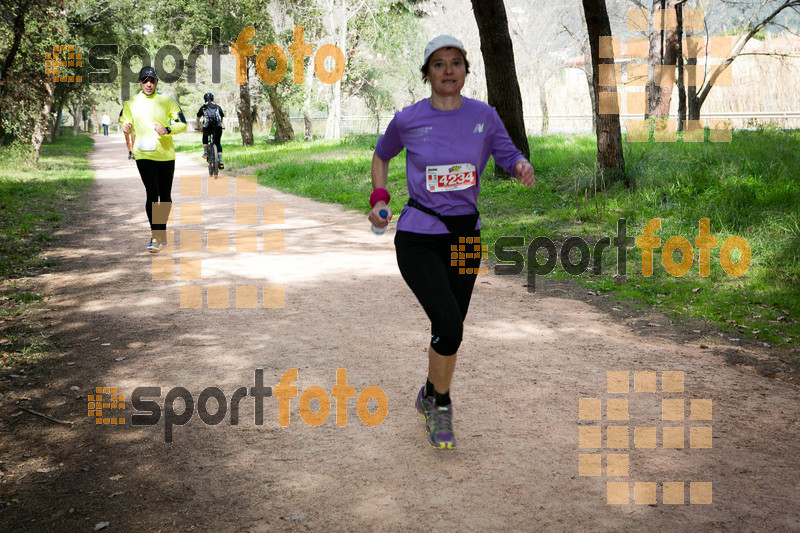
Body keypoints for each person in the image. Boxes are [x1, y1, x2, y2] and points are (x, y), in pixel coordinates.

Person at [368, 35, 535, 450]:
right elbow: (381, 155)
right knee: (447, 320)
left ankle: (427, 393)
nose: (448, 70)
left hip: (465, 236)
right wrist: (379, 198)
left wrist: (519, 165)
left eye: (455, 63)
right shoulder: (408, 119)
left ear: (465, 70)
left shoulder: (484, 115)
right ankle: (441, 405)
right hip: (419, 236)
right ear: (427, 73)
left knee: (452, 329)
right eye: (439, 64)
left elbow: (506, 152)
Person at [121, 66, 187, 253]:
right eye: (145, 81)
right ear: (140, 83)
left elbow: (183, 124)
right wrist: (126, 127)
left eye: (152, 80)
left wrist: (168, 129)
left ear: (157, 82)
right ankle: (155, 235)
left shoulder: (167, 101)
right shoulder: (131, 102)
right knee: (152, 193)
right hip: (144, 154)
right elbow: (127, 123)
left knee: (165, 196)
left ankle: (162, 230)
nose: (148, 84)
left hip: (166, 155)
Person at [196, 92, 224, 170]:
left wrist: (198, 126)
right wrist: (221, 125)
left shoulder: (203, 107)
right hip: (218, 127)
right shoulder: (218, 107)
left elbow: (198, 117)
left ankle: (205, 152)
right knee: (218, 143)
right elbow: (221, 117)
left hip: (207, 127)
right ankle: (220, 161)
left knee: (205, 136)